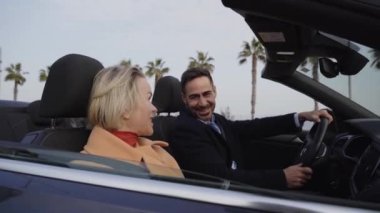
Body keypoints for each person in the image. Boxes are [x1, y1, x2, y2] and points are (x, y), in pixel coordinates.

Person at [170, 68, 333, 189]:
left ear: (215, 92)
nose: (203, 103)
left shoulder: (215, 119)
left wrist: (300, 117)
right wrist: (282, 177)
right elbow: (219, 176)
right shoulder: (185, 129)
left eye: (206, 94)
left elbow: (253, 127)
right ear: (184, 99)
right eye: (194, 97)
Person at [81, 65, 183, 178]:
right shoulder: (87, 172)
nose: (154, 108)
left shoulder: (158, 152)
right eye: (148, 98)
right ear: (125, 108)